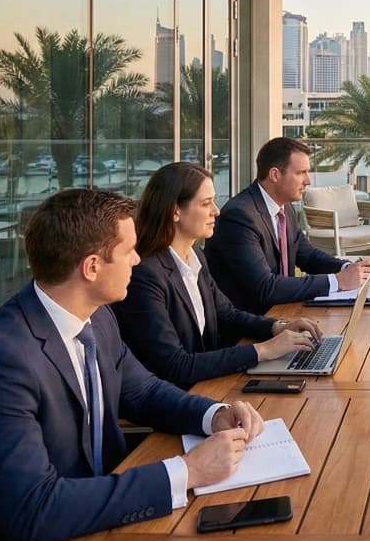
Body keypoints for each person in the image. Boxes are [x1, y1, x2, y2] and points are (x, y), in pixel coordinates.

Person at [0, 188, 266, 541]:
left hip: (87, 527)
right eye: (129, 251)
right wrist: (188, 471)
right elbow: (35, 510)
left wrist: (214, 414)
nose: (138, 259)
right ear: (92, 267)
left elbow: (143, 391)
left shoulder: (97, 316)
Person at [115, 162, 324, 388]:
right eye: (206, 203)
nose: (217, 211)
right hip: (180, 396)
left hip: (210, 383)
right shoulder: (145, 275)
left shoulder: (195, 255)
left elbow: (227, 315)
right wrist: (264, 350)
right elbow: (174, 366)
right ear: (175, 211)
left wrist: (277, 327)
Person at [205, 137, 370, 314]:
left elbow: (307, 256)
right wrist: (337, 281)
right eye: (301, 173)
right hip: (252, 322)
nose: (308, 181)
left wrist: (347, 268)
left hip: (284, 312)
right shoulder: (239, 217)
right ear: (275, 175)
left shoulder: (285, 208)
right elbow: (265, 287)